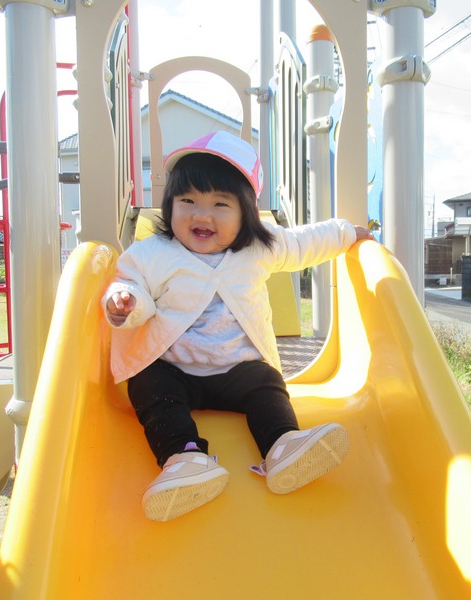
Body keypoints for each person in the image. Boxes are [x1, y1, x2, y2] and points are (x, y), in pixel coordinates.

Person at [103, 130, 373, 522]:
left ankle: (282, 445)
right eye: (187, 201)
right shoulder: (152, 253)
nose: (201, 215)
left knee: (266, 382)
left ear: (246, 212)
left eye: (220, 203)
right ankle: (183, 458)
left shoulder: (259, 247)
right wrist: (125, 303)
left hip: (238, 371)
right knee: (148, 384)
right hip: (177, 369)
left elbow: (304, 243)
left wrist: (346, 234)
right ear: (170, 205)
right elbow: (131, 284)